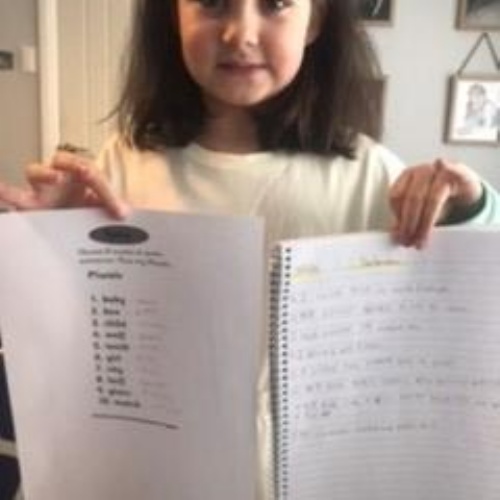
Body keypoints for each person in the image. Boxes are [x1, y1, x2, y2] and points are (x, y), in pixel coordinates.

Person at [0, 0, 499, 498]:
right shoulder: (126, 164)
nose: (240, 33)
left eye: (275, 4)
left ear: (316, 20)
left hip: (323, 476)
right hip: (166, 474)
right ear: (173, 15)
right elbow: (85, 340)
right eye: (212, 2)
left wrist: (467, 206)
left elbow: (466, 313)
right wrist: (50, 239)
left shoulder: (368, 173)